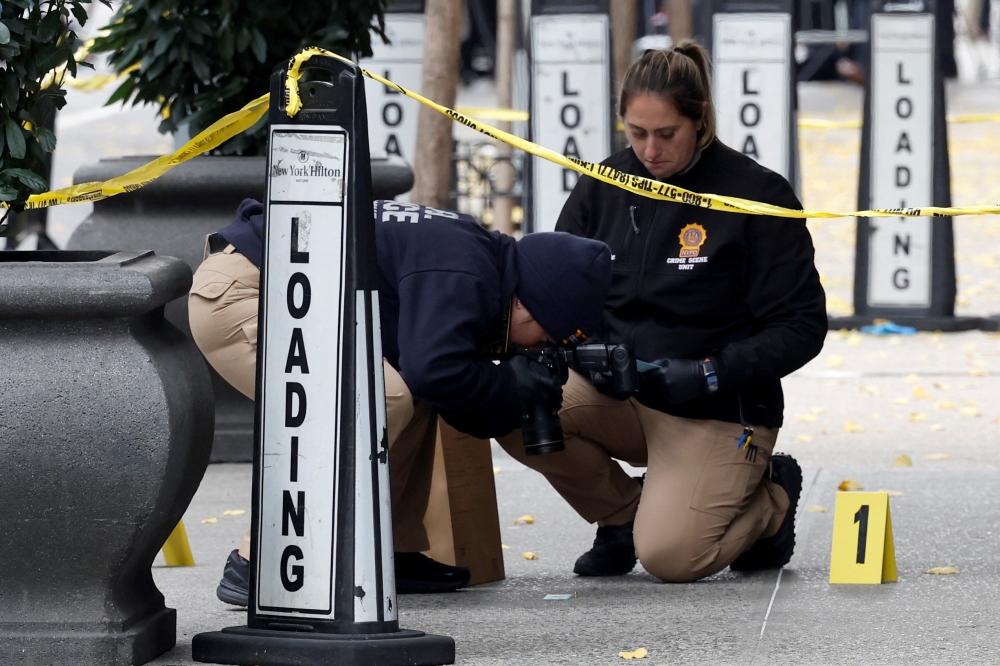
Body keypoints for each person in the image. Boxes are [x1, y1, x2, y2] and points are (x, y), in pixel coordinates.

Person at [498, 43, 827, 582]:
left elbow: (803, 327)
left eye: (666, 134)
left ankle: (771, 501)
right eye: (636, 133)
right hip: (618, 390)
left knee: (673, 559)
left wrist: (712, 371)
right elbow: (552, 289)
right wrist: (576, 349)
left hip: (716, 405)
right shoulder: (604, 183)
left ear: (700, 121)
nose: (649, 151)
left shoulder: (757, 195)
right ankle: (622, 516)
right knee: (504, 403)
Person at [189, 198, 611, 604]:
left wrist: (510, 394)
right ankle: (261, 559)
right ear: (528, 306)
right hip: (246, 296)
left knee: (409, 394)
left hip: (283, 288)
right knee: (377, 397)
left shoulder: (481, 264)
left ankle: (385, 551)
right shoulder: (465, 271)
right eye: (546, 339)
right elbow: (436, 371)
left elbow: (443, 392)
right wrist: (508, 384)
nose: (540, 350)